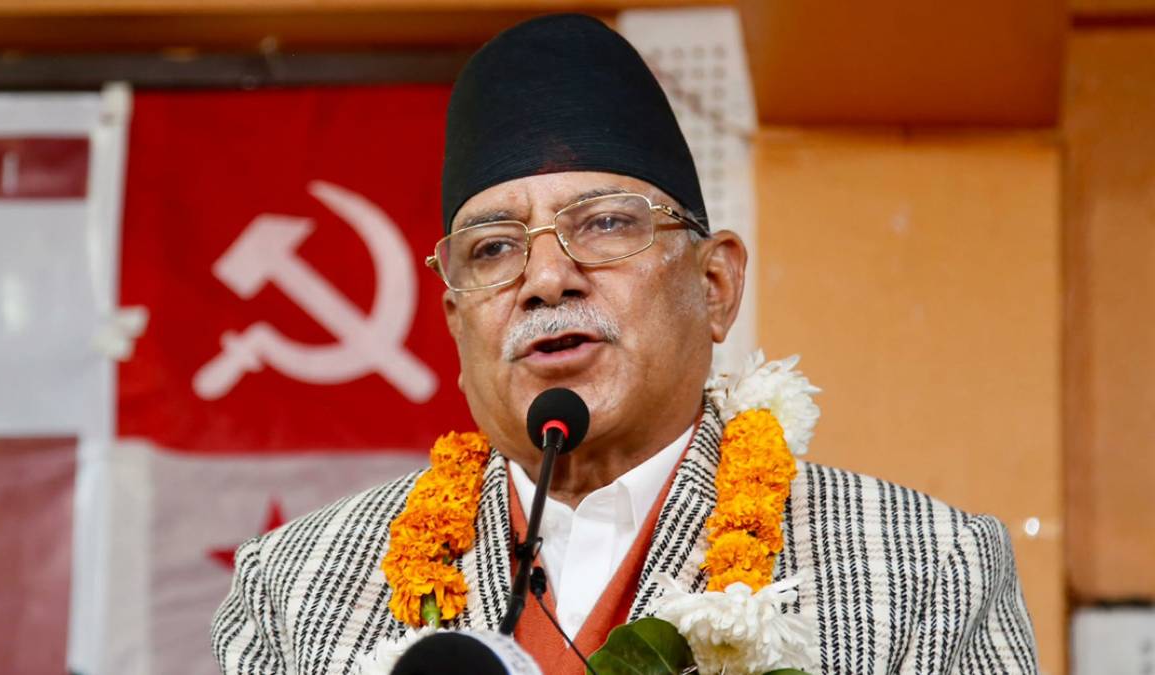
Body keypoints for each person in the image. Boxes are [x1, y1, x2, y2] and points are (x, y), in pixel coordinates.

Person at [211, 14, 1038, 675]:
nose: (545, 278)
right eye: (493, 248)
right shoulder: (296, 583)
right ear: (457, 319)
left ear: (714, 286)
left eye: (604, 224)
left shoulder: (927, 566)